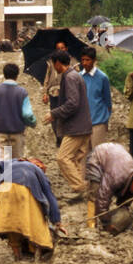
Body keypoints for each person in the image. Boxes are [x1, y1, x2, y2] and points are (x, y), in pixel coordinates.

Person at [0, 157, 63, 260]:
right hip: (23, 188)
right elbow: (49, 197)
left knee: (11, 222)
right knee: (35, 218)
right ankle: (37, 249)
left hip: (3, 187)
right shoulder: (37, 171)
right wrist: (57, 221)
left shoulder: (12, 162)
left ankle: (17, 254)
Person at [44, 50, 92, 201]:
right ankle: (81, 191)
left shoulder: (70, 77)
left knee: (63, 158)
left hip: (75, 127)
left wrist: (54, 113)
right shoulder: (73, 76)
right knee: (76, 159)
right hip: (83, 125)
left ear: (58, 63)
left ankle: (80, 188)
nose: (53, 67)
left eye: (53, 64)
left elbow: (72, 103)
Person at [83, 142, 133, 232]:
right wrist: (106, 222)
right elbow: (102, 200)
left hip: (116, 156)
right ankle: (91, 225)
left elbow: (130, 195)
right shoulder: (115, 178)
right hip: (98, 156)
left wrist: (123, 208)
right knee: (94, 192)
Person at [0, 63, 36, 165]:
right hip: (17, 132)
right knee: (16, 163)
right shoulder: (22, 92)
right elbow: (27, 114)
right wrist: (32, 123)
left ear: (4, 74)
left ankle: (0, 180)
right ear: (17, 75)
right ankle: (14, 180)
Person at [79, 46, 112, 149]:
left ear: (94, 60)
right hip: (82, 124)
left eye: (87, 60)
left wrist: (105, 119)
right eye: (83, 60)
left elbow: (108, 102)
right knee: (83, 157)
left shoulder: (102, 78)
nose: (85, 63)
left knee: (98, 155)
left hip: (98, 123)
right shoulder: (78, 77)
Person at [41, 40, 71, 147]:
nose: (61, 50)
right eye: (58, 48)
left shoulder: (72, 62)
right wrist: (45, 93)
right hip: (53, 93)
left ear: (66, 49)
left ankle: (64, 137)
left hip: (66, 93)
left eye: (62, 48)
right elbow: (47, 78)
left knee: (64, 115)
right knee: (53, 115)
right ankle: (58, 136)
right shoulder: (51, 63)